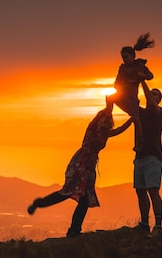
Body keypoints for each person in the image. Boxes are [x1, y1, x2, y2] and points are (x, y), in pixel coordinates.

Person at [28, 99, 134, 237]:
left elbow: (119, 130)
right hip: (80, 163)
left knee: (83, 200)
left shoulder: (106, 133)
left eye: (107, 118)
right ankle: (43, 206)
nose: (105, 120)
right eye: (103, 117)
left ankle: (74, 230)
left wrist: (132, 119)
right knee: (68, 192)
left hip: (89, 166)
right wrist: (110, 105)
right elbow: (106, 114)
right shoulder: (92, 127)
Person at [107, 33, 155, 151]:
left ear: (132, 56)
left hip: (132, 96)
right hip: (122, 94)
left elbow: (150, 76)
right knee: (109, 98)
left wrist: (141, 76)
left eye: (126, 57)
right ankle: (108, 119)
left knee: (135, 119)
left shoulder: (139, 65)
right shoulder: (122, 68)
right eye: (123, 57)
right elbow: (116, 82)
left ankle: (140, 141)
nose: (124, 59)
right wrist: (120, 85)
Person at [132, 79, 162, 237]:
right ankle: (144, 224)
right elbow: (128, 104)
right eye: (151, 93)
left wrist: (142, 81)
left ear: (158, 100)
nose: (152, 96)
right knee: (140, 191)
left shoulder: (158, 112)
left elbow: (151, 104)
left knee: (153, 191)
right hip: (139, 157)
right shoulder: (140, 112)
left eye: (155, 94)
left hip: (153, 157)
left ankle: (158, 227)